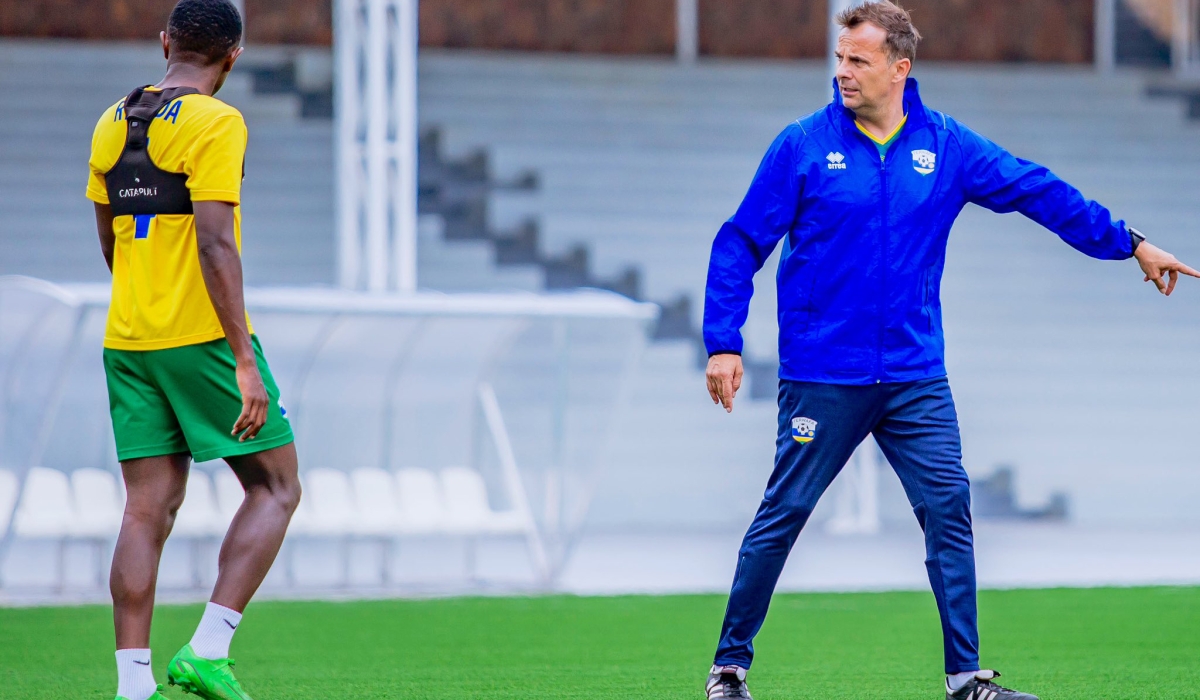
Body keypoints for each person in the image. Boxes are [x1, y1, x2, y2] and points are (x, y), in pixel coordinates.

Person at [700, 2, 1198, 699]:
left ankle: (966, 679)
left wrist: (1132, 242)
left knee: (949, 506)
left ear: (899, 68)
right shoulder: (803, 146)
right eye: (840, 59)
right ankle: (729, 669)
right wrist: (723, 341)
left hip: (913, 377)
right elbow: (740, 243)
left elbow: (1037, 190)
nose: (842, 71)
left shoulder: (947, 146)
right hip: (823, 375)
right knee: (783, 514)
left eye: (858, 60)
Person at [85, 1, 302, 699]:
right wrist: (243, 358)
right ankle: (208, 649)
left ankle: (132, 685)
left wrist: (142, 302)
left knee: (145, 509)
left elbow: (109, 234)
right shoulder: (218, 121)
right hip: (199, 336)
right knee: (276, 483)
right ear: (232, 56)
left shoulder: (111, 121)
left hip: (128, 338)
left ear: (165, 43)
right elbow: (214, 242)